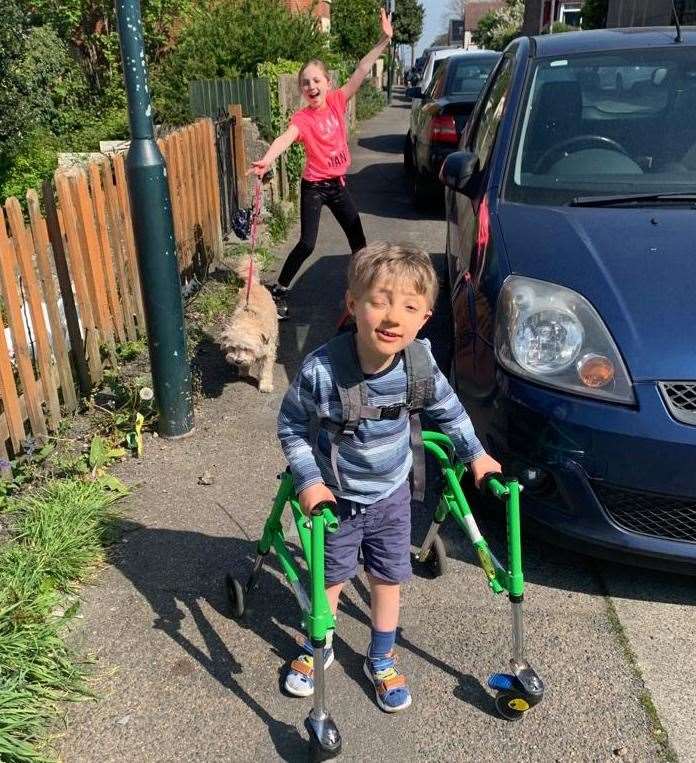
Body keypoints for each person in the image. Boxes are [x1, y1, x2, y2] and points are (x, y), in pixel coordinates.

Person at [277, 242, 502, 712]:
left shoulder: (419, 366)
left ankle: (380, 657)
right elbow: (292, 425)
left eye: (408, 306)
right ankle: (318, 644)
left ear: (424, 317)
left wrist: (477, 455)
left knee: (388, 579)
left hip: (391, 496)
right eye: (379, 300)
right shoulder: (322, 369)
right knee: (330, 579)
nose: (392, 316)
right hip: (335, 498)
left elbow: (451, 412)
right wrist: (307, 480)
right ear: (353, 305)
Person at [248, 9, 394, 320]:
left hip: (338, 185)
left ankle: (363, 292)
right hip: (314, 186)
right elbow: (285, 139)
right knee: (307, 242)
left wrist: (384, 40)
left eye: (316, 80)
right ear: (301, 90)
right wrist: (267, 159)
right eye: (305, 83)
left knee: (358, 238)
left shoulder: (339, 101)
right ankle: (280, 289)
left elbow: (362, 69)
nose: (311, 86)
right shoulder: (302, 118)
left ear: (327, 82)